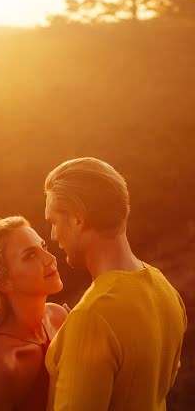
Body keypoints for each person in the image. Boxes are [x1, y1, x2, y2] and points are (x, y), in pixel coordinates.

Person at [44, 156, 187, 411]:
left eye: (54, 221)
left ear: (78, 220)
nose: (53, 235)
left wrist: (75, 341)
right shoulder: (165, 290)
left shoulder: (91, 317)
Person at [0, 215, 70, 410]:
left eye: (43, 248)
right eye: (30, 255)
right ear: (4, 281)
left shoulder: (58, 317)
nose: (50, 259)